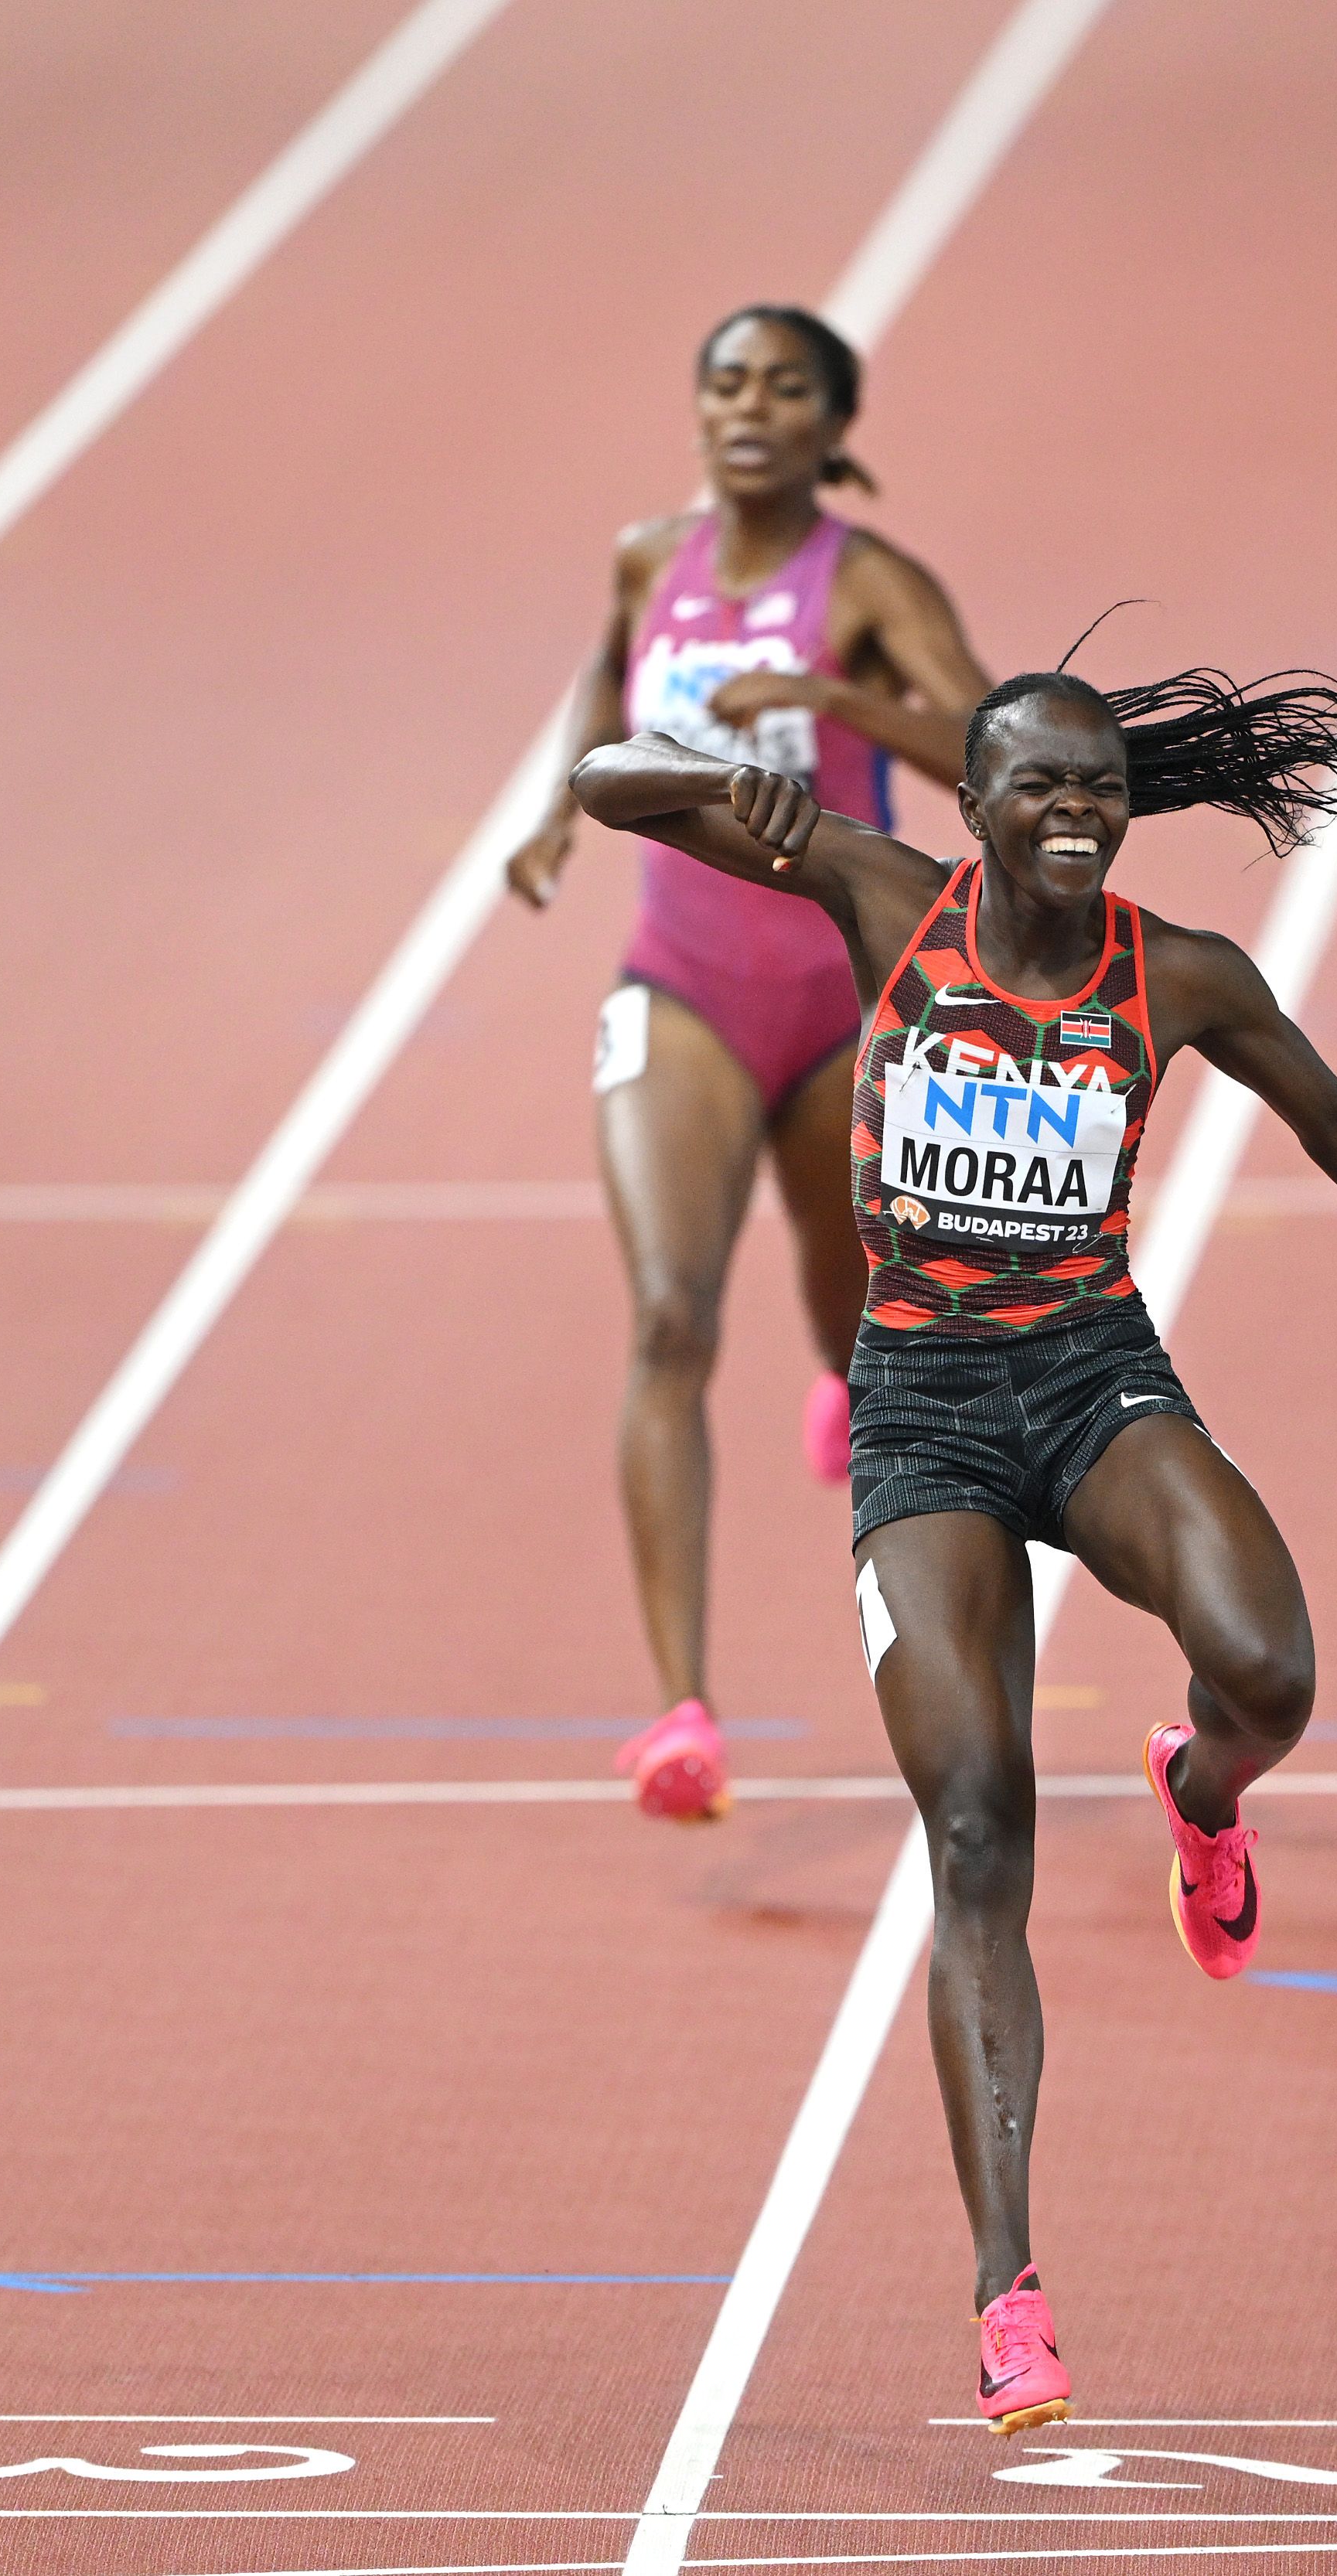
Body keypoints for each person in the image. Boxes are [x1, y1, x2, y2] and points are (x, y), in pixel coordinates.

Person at [572, 662, 1337, 2431]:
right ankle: (1009, 2290)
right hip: (917, 1410)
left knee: (1270, 1670)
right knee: (975, 1818)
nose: (1071, 812)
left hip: (1087, 1383)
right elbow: (609, 780)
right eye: (1033, 787)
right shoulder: (876, 892)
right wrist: (724, 787)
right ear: (973, 802)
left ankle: (1199, 1798)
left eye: (1095, 788)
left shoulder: (1180, 976)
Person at [504, 305, 991, 1826]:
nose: (749, 406)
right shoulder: (647, 557)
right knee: (664, 1313)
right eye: (725, 382)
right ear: (697, 409)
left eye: (785, 386)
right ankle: (680, 1712)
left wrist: (836, 703)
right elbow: (604, 686)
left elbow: (992, 738)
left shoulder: (867, 583)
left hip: (846, 1002)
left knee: (865, 1328)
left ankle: (848, 1387)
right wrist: (548, 810)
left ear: (829, 421)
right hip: (683, 983)